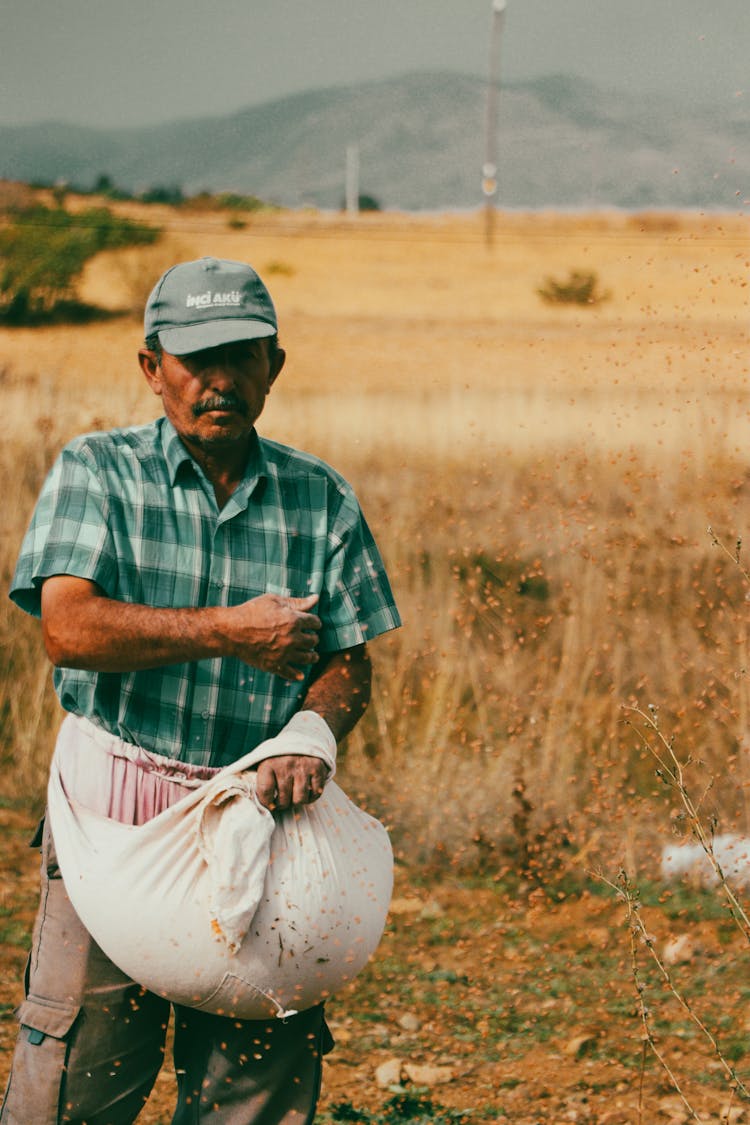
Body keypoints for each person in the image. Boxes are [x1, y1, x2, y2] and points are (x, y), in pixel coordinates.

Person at [1, 256, 401, 1124]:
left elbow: (349, 660)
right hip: (116, 829)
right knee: (70, 1091)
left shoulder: (320, 497)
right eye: (195, 359)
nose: (218, 380)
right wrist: (227, 629)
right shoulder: (98, 472)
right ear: (152, 369)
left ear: (274, 367)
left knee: (251, 1098)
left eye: (241, 356)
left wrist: (309, 737)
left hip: (264, 830)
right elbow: (67, 628)